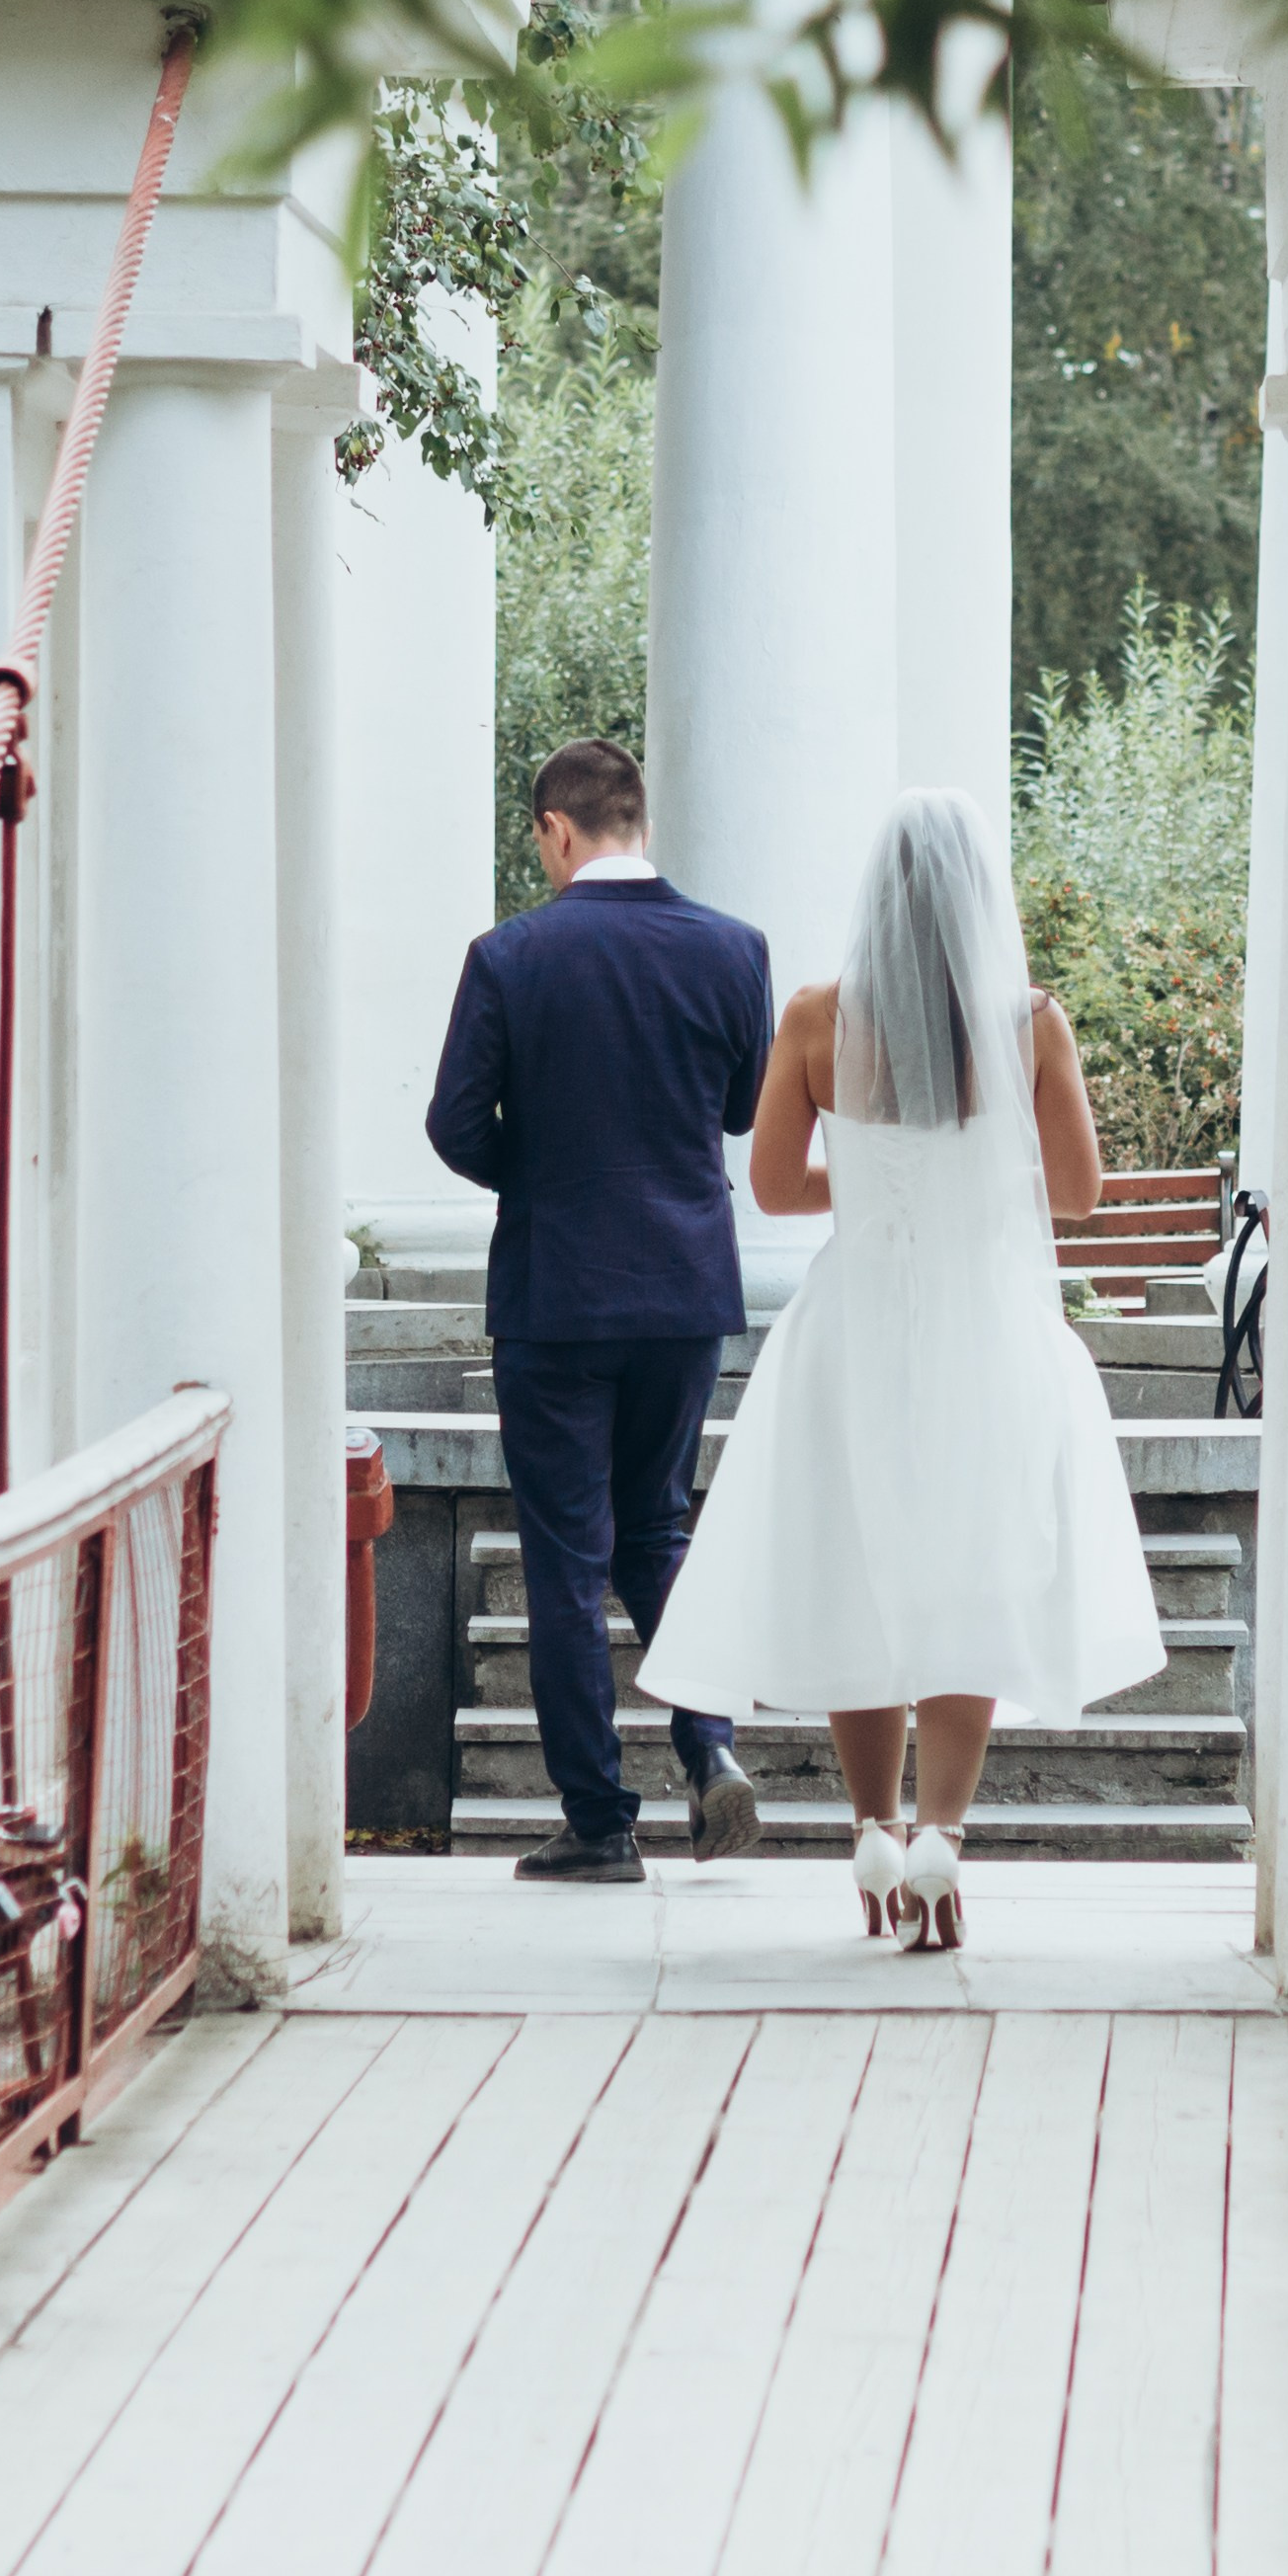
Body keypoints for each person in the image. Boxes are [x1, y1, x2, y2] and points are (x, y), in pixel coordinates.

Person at [638, 786, 1165, 1948]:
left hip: (854, 1328)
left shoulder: (818, 1019)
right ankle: (941, 1838)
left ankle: (871, 1827)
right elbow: (1074, 1194)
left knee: (854, 1572)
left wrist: (872, 1183)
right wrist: (972, 1173)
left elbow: (774, 1188)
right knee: (972, 1572)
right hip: (986, 1326)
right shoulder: (1031, 1023)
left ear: (877, 893)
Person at [426, 737, 774, 1883]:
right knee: (659, 1528)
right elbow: (737, 1112)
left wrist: (541, 1175)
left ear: (556, 830)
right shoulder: (735, 950)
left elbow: (455, 1122)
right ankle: (709, 1748)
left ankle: (598, 1821)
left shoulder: (510, 955)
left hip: (558, 1291)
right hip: (684, 1289)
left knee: (570, 1554)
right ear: (636, 820)